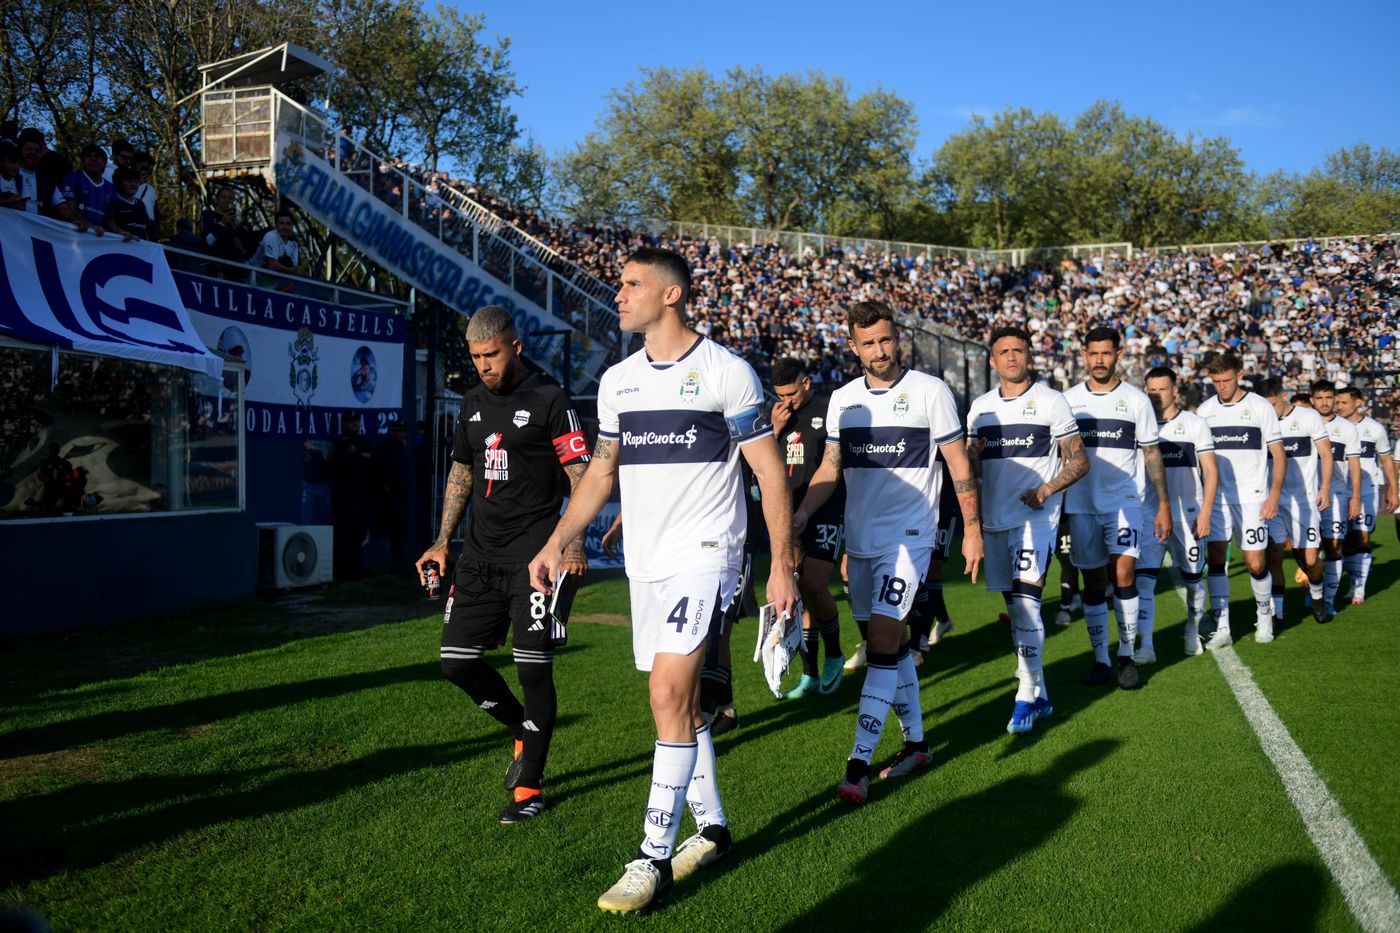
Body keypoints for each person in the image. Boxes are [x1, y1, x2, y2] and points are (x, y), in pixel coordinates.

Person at [527, 247, 798, 913]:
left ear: (671, 294)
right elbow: (600, 472)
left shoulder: (725, 372)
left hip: (707, 555)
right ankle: (714, 829)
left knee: (666, 691)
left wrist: (781, 566)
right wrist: (558, 539)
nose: (618, 295)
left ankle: (651, 857)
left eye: (631, 284)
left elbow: (769, 473)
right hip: (645, 564)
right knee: (685, 705)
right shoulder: (618, 381)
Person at [792, 299, 982, 803]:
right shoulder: (844, 400)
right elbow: (831, 467)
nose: (879, 351)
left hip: (910, 537)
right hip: (861, 541)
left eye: (885, 339)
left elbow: (958, 463)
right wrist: (801, 515)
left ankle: (857, 766)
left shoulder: (930, 391)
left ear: (898, 338)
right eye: (868, 343)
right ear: (852, 347)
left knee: (880, 638)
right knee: (891, 648)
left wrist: (972, 528)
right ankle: (917, 745)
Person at [417, 305, 591, 825]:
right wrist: (442, 541)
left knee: (533, 668)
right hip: (478, 557)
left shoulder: (550, 399)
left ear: (515, 347)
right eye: (475, 357)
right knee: (456, 663)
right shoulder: (471, 402)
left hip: (536, 559)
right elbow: (461, 473)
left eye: (491, 355)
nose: (483, 366)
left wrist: (572, 543)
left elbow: (581, 475)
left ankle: (530, 787)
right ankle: (521, 729)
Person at [965, 326, 1086, 733]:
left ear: (1029, 356)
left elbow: (1079, 460)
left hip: (1036, 518)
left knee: (1028, 604)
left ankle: (1023, 697)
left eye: (1019, 350)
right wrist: (972, 456)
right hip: (996, 521)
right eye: (1004, 352)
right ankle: (1042, 695)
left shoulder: (1052, 401)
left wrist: (1047, 490)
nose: (1012, 357)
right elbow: (971, 468)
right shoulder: (980, 409)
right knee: (1017, 611)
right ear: (992, 360)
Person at [1063, 327, 1170, 689]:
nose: (1099, 360)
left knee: (1124, 574)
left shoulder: (1136, 400)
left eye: (1106, 353)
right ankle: (1101, 659)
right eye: (1093, 353)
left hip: (1124, 502)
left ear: (1118, 356)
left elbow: (1152, 454)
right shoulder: (1069, 401)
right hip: (1081, 504)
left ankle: (1126, 656)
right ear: (1084, 355)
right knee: (1093, 582)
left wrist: (1163, 504)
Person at [769, 355, 846, 699]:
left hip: (825, 510)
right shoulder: (776, 416)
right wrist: (773, 430)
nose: (786, 401)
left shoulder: (829, 410)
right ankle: (809, 674)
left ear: (806, 383)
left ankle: (835, 654)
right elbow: (762, 465)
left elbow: (834, 466)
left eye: (791, 393)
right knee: (798, 595)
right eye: (780, 395)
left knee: (815, 584)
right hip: (788, 515)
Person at [1196, 354, 1286, 646]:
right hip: (1217, 500)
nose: (1221, 386)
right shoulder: (1205, 410)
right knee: (1216, 559)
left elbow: (1279, 455)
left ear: (1239, 375)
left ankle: (1264, 615)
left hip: (1253, 498)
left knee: (1256, 564)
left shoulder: (1259, 406)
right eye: (1216, 381)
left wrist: (1274, 495)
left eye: (1226, 380)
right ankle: (1223, 627)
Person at [1137, 367, 1219, 657]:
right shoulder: (1140, 425)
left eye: (1162, 389)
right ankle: (1146, 645)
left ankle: (1192, 631)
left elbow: (1211, 471)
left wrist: (1206, 512)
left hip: (1189, 515)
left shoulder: (1195, 424)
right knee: (1144, 581)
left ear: (1174, 390)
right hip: (1150, 514)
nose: (1156, 395)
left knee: (1193, 580)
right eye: (1151, 390)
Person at [1256, 377, 1332, 625]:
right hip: (1271, 502)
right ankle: (1278, 612)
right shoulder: (1260, 421)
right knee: (1274, 555)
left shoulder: (1309, 417)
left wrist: (1325, 487)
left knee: (1310, 559)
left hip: (1304, 501)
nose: (1269, 411)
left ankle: (1318, 596)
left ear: (1284, 396)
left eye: (1273, 405)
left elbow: (1326, 454)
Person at [1335, 386, 1398, 605]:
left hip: (1367, 491)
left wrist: (1392, 489)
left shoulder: (1374, 428)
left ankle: (1359, 588)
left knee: (1362, 537)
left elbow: (1386, 460)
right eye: (1337, 402)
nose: (1339, 406)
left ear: (1358, 403)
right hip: (1338, 492)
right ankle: (1344, 582)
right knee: (1341, 541)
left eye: (1344, 402)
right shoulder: (1331, 426)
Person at [1309, 381, 1363, 616]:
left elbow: (1354, 464)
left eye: (1329, 398)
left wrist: (1355, 496)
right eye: (1319, 398)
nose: (1324, 402)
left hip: (1336, 496)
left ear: (1334, 400)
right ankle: (1314, 588)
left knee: (1334, 546)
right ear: (1312, 400)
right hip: (1307, 496)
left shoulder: (1347, 428)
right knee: (1309, 549)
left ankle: (1328, 599)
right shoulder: (1305, 422)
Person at [331, 413, 375, 580]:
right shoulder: (341, 441)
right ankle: (345, 569)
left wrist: (357, 454)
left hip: (363, 492)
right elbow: (342, 461)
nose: (354, 424)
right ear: (345, 424)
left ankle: (358, 565)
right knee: (346, 531)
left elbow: (373, 459)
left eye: (356, 421)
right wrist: (360, 456)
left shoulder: (364, 440)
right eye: (350, 421)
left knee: (360, 531)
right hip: (346, 494)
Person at [57, 144, 114, 236]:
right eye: (88, 156)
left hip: (97, 236)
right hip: (73, 234)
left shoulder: (110, 188)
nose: (93, 159)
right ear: (83, 162)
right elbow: (69, 207)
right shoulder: (72, 178)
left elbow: (109, 218)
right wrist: (91, 226)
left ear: (104, 163)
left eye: (97, 157)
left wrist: (119, 231)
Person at [104, 167, 155, 241]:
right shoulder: (112, 200)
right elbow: (109, 220)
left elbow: (145, 226)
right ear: (118, 183)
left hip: (141, 245)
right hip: (121, 243)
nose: (133, 184)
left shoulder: (140, 204)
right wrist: (120, 232)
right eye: (128, 181)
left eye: (136, 181)